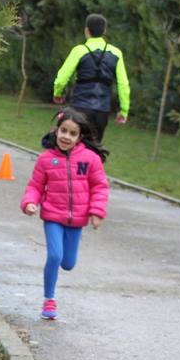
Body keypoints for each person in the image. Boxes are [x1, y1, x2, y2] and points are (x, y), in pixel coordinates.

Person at [20, 107, 109, 321]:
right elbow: (35, 186)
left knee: (68, 263)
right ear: (56, 131)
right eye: (63, 131)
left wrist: (97, 211)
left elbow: (100, 187)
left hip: (77, 219)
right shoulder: (46, 159)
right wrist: (30, 202)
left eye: (72, 133)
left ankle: (57, 279)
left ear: (80, 137)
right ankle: (49, 299)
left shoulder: (90, 159)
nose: (66, 137)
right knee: (55, 256)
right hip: (52, 216)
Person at [52, 13, 130, 142]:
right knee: (95, 148)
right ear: (104, 30)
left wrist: (58, 93)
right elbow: (123, 84)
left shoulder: (79, 50)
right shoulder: (116, 53)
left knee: (73, 145)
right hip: (101, 110)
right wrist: (124, 110)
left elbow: (62, 78)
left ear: (86, 30)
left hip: (79, 107)